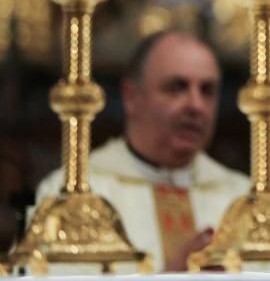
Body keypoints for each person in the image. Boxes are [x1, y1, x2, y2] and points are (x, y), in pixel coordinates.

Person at [35, 31, 249, 271]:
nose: (196, 105)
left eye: (207, 91)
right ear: (131, 96)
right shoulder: (73, 193)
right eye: (176, 88)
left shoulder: (242, 197)